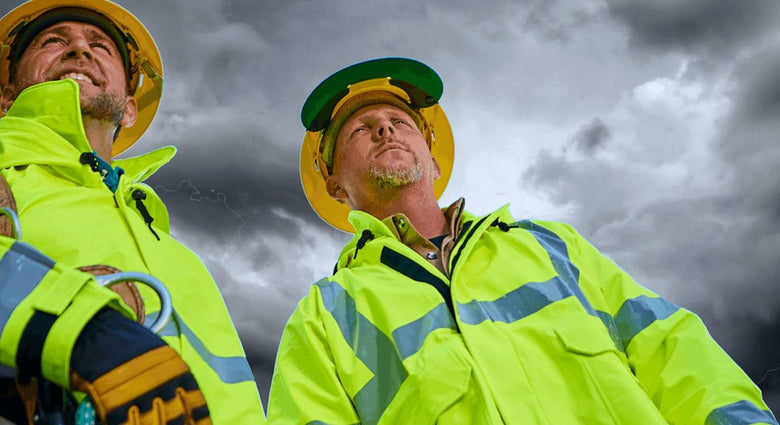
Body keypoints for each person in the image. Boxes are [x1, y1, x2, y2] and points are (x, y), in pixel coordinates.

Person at [267, 57, 778, 424]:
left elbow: (677, 353)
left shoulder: (552, 248)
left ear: (434, 158)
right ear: (334, 184)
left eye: (400, 122)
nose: (385, 129)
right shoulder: (325, 319)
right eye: (361, 129)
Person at [0, 1, 265, 424]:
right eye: (53, 41)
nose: (79, 51)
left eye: (100, 45)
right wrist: (82, 329)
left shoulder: (177, 254)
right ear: (6, 98)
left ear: (128, 106)